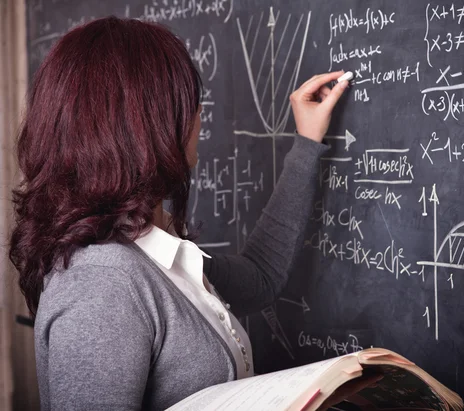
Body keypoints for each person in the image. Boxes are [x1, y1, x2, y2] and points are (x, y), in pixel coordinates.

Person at [8, 16, 351, 410]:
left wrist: (306, 144)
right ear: (144, 125)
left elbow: (260, 276)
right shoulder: (103, 284)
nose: (199, 113)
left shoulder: (149, 250)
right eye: (184, 100)